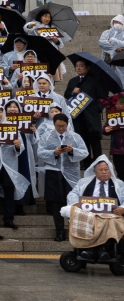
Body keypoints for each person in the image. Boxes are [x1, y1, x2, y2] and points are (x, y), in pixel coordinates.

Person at [36, 113, 88, 241]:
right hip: (53, 171)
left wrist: (72, 151)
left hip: (71, 172)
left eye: (63, 126)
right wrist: (54, 152)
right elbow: (40, 151)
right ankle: (59, 230)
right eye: (58, 126)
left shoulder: (75, 137)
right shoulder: (47, 136)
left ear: (67, 124)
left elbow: (85, 152)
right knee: (56, 202)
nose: (61, 128)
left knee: (73, 201)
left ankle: (74, 230)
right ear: (54, 124)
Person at [66, 58, 112, 168]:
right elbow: (66, 94)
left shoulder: (96, 80)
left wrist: (98, 108)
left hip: (92, 116)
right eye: (77, 66)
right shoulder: (73, 81)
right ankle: (85, 162)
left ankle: (98, 162)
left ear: (88, 67)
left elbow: (103, 97)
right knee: (82, 139)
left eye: (81, 66)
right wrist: (73, 92)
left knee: (95, 140)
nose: (78, 68)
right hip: (77, 116)